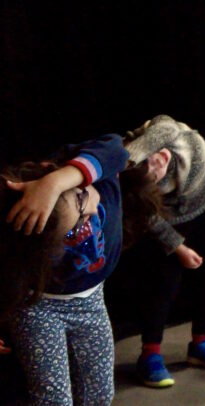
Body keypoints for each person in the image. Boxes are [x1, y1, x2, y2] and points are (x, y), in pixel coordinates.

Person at [0, 135, 131, 404]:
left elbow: (116, 147)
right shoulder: (30, 255)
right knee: (54, 399)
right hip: (38, 309)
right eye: (78, 224)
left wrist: (55, 182)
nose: (91, 210)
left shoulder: (91, 177)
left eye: (80, 196)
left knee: (100, 394)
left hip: (92, 303)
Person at [121, 114, 205, 387]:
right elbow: (147, 215)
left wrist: (135, 155)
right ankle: (149, 355)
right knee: (164, 285)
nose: (159, 166)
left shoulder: (166, 134)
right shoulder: (137, 185)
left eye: (155, 163)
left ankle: (201, 344)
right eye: (153, 176)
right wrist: (178, 246)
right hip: (170, 221)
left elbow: (164, 130)